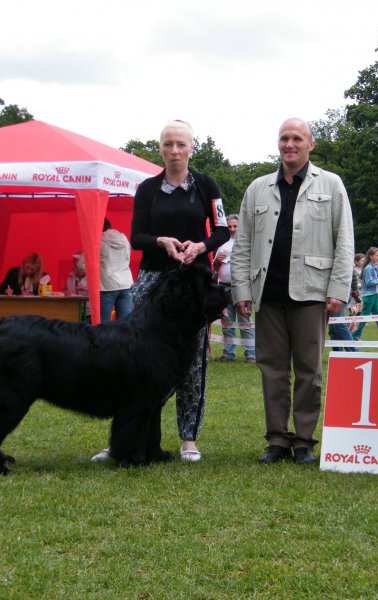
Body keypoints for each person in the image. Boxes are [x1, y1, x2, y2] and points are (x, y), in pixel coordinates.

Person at [91, 120, 229, 463]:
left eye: (181, 144)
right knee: (132, 361)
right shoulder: (148, 189)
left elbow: (223, 230)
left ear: (191, 147)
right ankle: (125, 438)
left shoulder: (206, 186)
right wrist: (161, 242)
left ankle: (188, 439)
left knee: (193, 363)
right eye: (168, 144)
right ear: (161, 148)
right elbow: (137, 237)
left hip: (194, 281)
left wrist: (201, 245)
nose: (174, 150)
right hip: (152, 279)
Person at [230, 117, 354, 465]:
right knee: (271, 368)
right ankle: (276, 440)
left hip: (312, 292)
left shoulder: (331, 185)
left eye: (297, 138)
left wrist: (339, 289)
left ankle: (303, 441)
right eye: (284, 138)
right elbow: (242, 244)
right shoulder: (257, 188)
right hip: (267, 293)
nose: (289, 144)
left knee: (309, 370)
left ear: (311, 144)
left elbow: (344, 241)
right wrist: (241, 288)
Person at [214, 214, 255, 363]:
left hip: (242, 288)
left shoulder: (247, 243)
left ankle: (251, 354)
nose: (232, 229)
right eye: (229, 226)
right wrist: (217, 262)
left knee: (246, 323)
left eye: (235, 226)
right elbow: (215, 268)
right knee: (227, 324)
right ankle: (228, 354)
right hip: (224, 288)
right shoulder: (222, 243)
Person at [99, 218, 134, 323]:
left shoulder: (98, 240)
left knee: (102, 324)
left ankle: (103, 340)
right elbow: (127, 258)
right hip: (126, 284)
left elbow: (82, 264)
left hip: (107, 286)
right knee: (124, 324)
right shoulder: (124, 238)